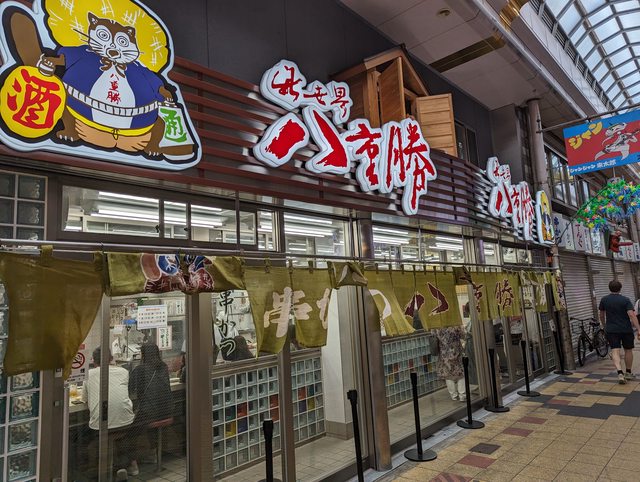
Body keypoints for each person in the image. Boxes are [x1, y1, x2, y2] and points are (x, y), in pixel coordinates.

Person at [82, 347, 137, 477]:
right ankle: (128, 465)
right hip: (126, 422)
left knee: (81, 436)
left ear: (94, 361)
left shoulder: (88, 375)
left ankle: (96, 469)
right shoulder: (124, 371)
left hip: (100, 426)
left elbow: (84, 399)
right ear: (111, 359)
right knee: (122, 433)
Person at [129, 343, 173, 464]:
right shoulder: (163, 366)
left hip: (150, 412)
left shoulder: (140, 369)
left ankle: (131, 463)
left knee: (129, 431)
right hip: (166, 411)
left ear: (143, 355)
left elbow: (130, 389)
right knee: (149, 423)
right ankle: (153, 452)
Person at [599, 280, 640, 384]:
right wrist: (639, 328)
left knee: (615, 350)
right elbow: (631, 315)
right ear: (620, 288)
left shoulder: (604, 300)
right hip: (626, 329)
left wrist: (604, 325)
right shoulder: (625, 300)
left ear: (609, 288)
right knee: (628, 350)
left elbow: (601, 315)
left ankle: (620, 372)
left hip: (611, 330)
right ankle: (628, 372)